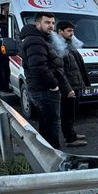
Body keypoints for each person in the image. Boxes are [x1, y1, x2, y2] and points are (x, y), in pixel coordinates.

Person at [19, 12, 72, 149]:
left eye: (53, 23)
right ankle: (55, 155)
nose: (51, 26)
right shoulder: (35, 40)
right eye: (47, 22)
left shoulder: (40, 39)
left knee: (46, 122)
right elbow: (39, 67)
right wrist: (54, 85)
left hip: (42, 88)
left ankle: (46, 151)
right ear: (38, 24)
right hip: (44, 90)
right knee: (52, 123)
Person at [51, 21, 91, 148]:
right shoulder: (57, 47)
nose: (72, 33)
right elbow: (60, 71)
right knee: (67, 113)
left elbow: (77, 67)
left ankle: (72, 133)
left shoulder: (69, 44)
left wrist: (84, 82)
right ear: (60, 31)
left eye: (72, 31)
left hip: (75, 84)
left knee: (72, 112)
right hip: (68, 87)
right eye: (69, 31)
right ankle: (70, 139)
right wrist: (67, 88)